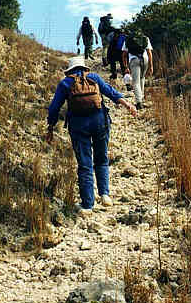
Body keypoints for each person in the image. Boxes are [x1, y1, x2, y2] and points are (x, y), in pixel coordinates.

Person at [46, 56, 137, 215]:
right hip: (100, 121)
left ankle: (88, 205)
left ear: (70, 70)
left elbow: (54, 108)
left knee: (85, 164)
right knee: (101, 159)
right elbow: (111, 93)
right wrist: (128, 105)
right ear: (84, 67)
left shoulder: (65, 83)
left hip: (78, 126)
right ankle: (105, 195)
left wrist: (50, 127)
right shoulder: (93, 77)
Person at [122, 31, 154, 110]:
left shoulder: (127, 39)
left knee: (135, 82)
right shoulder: (145, 38)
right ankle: (141, 99)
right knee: (142, 78)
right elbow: (149, 52)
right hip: (145, 59)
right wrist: (151, 66)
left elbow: (124, 54)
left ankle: (139, 102)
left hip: (134, 60)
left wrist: (126, 67)